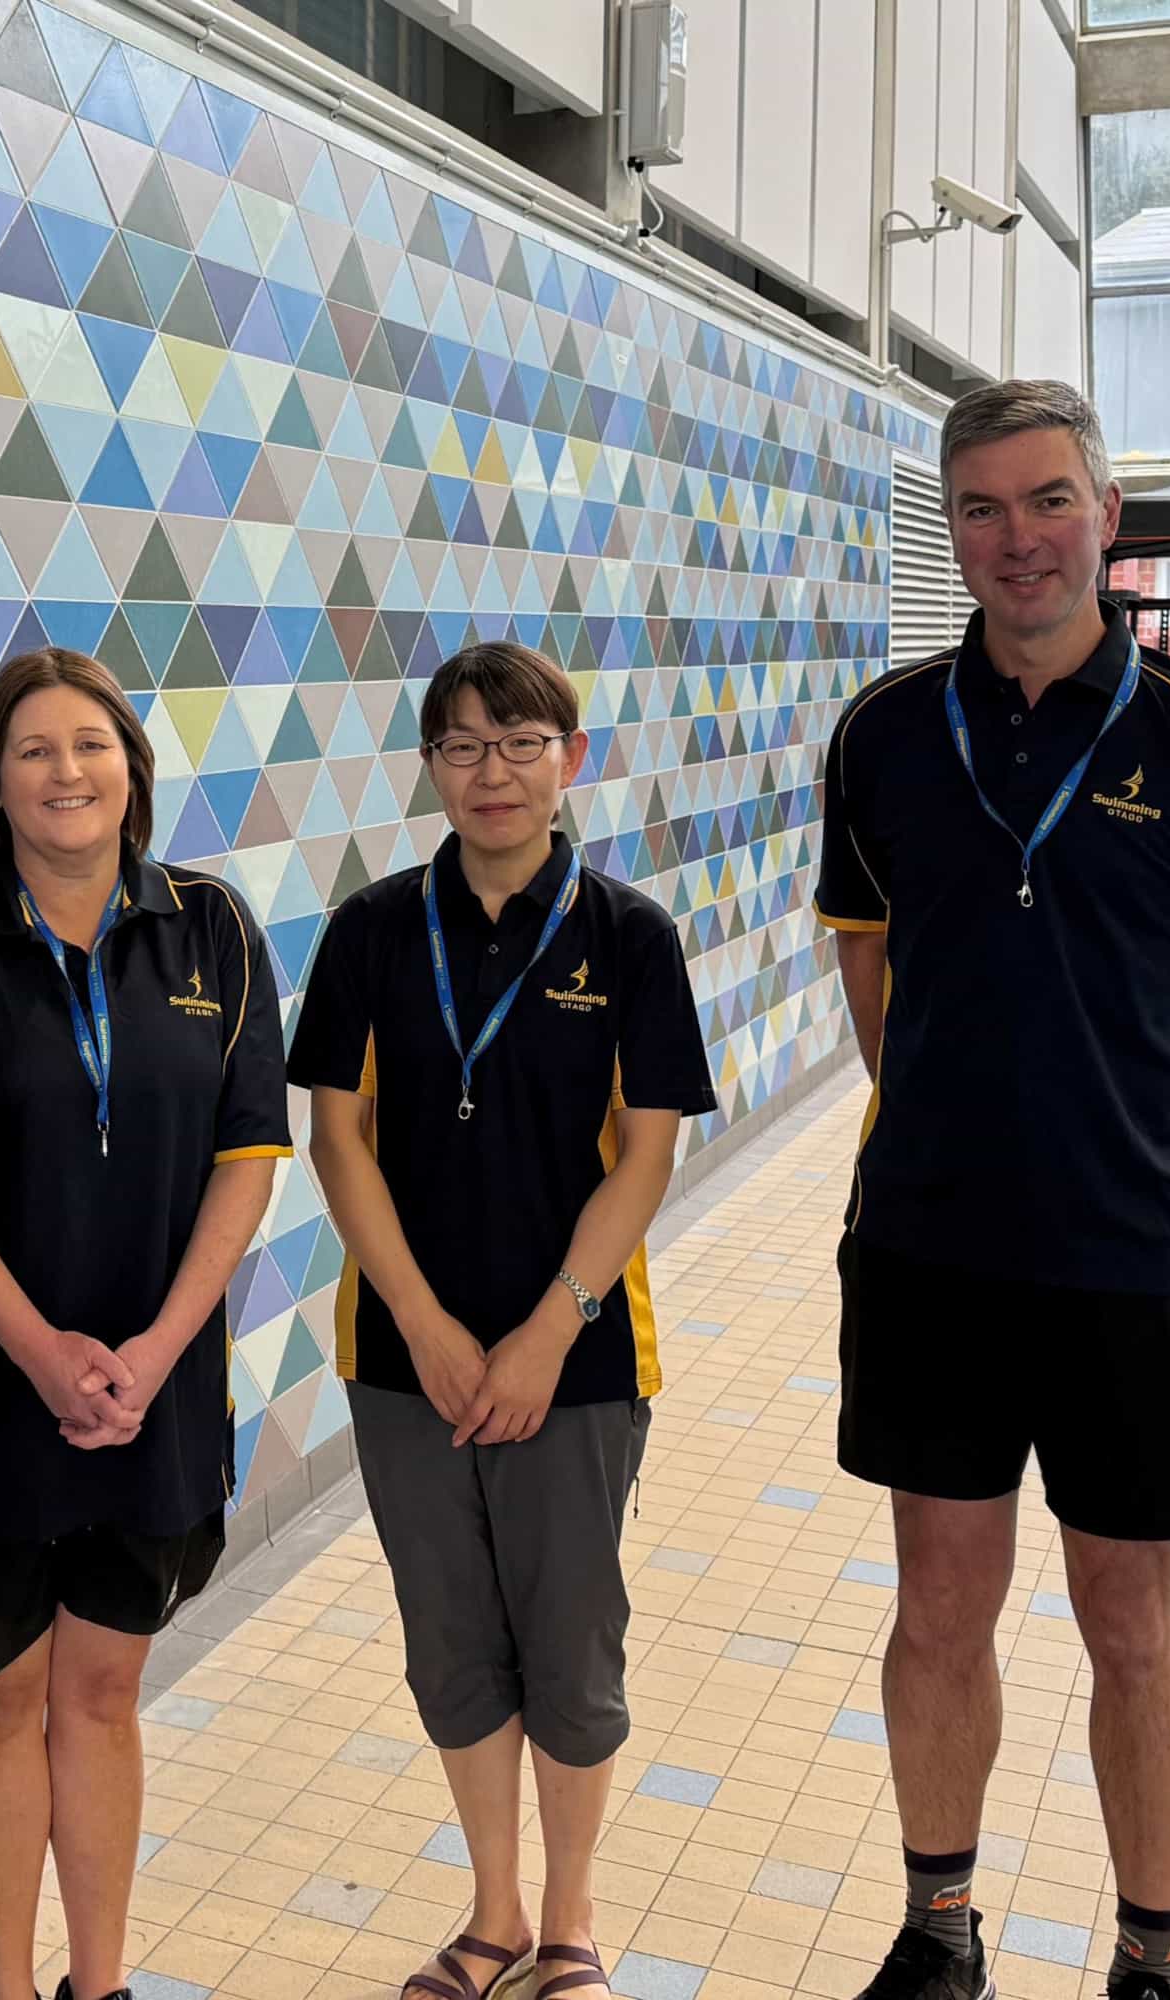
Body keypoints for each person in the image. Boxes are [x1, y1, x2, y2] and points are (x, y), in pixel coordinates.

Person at [815, 379, 1170, 2000]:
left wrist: (1143, 1115)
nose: (1016, 538)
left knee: (1133, 1615)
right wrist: (956, 1109)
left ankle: (1150, 1958)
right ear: (951, 526)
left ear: (1109, 517)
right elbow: (869, 964)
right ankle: (938, 1929)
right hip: (929, 1248)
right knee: (937, 1603)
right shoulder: (885, 734)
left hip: (1131, 1250)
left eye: (1047, 501)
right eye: (980, 507)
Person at [288, 641, 717, 2000]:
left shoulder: (628, 937)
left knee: (571, 1640)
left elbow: (646, 1154)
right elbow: (339, 1138)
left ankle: (572, 1924)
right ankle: (493, 1916)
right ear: (430, 766)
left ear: (570, 759)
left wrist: (545, 1333)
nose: (494, 772)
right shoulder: (373, 930)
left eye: (523, 743)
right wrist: (423, 1324)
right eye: (464, 746)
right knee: (452, 1639)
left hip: (577, 1361)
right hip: (403, 1360)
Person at [0, 646, 291, 2000]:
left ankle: (100, 1983)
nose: (65, 772)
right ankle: (7, 1989)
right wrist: (37, 1350)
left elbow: (249, 1152)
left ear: (133, 769)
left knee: (103, 1695)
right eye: (33, 750)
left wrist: (159, 1349)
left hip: (154, 1383)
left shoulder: (210, 926)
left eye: (91, 745)